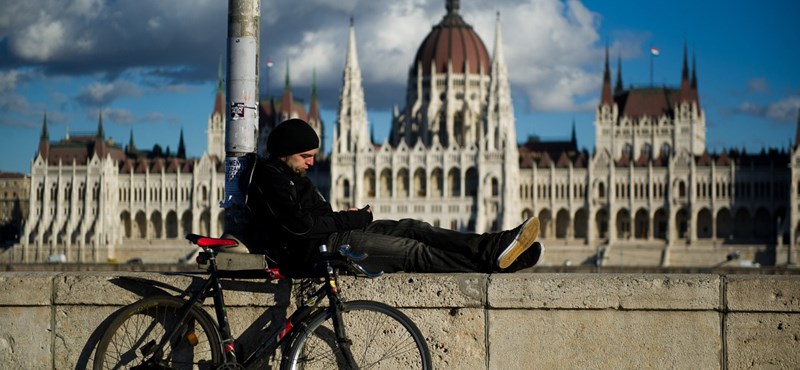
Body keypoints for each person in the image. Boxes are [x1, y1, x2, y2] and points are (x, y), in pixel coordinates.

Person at [242, 118, 543, 277]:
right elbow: (302, 227)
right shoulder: (270, 178)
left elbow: (317, 215)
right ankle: (492, 264)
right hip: (324, 249)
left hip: (336, 235)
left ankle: (492, 246)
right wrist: (355, 217)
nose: (311, 163)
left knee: (415, 226)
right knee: (413, 251)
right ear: (285, 152)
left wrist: (344, 218)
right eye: (305, 156)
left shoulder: (295, 177)